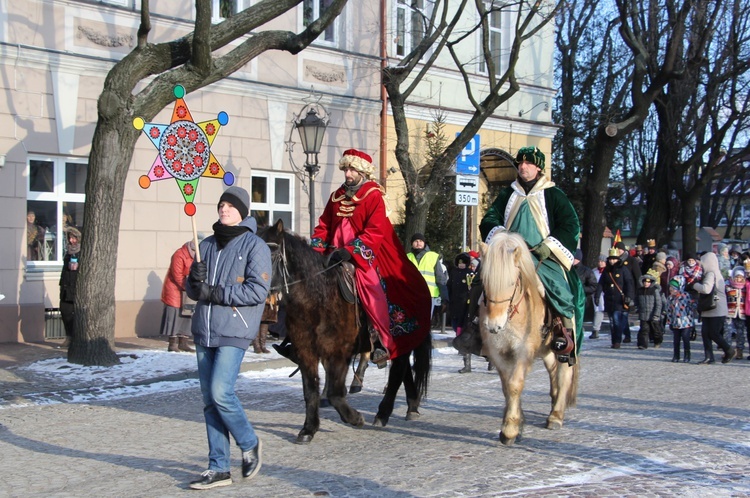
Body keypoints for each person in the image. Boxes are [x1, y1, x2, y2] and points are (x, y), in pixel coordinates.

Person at [307, 149, 432, 367]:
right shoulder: (336, 197)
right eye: (345, 169)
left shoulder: (374, 196)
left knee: (371, 287)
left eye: (352, 169)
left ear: (363, 171)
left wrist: (352, 251)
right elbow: (324, 226)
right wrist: (316, 250)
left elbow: (375, 230)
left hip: (361, 257)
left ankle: (381, 340)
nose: (347, 174)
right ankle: (299, 338)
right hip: (333, 253)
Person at [185, 186, 270, 489]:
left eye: (230, 206)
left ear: (242, 212)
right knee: (210, 401)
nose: (224, 209)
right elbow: (194, 292)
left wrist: (215, 292)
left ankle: (249, 443)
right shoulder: (205, 244)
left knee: (221, 392)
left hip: (234, 329)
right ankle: (218, 467)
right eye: (221, 205)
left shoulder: (254, 246)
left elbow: (258, 291)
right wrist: (194, 282)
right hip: (204, 329)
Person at [478, 146, 585, 364]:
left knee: (562, 291)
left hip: (542, 257)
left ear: (538, 167)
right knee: (482, 286)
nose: (523, 167)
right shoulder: (508, 193)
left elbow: (570, 224)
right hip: (510, 256)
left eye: (528, 163)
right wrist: (500, 237)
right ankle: (475, 334)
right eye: (520, 163)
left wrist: (550, 245)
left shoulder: (553, 194)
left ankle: (563, 338)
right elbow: (489, 219)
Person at [689, 251, 734, 364]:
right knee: (706, 334)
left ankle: (728, 350)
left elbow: (706, 289)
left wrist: (694, 285)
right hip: (711, 308)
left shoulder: (711, 274)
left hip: (715, 309)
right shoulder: (715, 273)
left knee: (713, 333)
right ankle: (709, 357)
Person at [159, 237, 202, 353]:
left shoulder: (198, 256)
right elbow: (177, 274)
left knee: (187, 315)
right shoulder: (179, 254)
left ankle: (183, 342)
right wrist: (189, 286)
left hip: (188, 290)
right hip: (175, 290)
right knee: (174, 316)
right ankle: (172, 343)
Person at [596, 248, 635, 349]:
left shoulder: (623, 269)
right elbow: (601, 284)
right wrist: (597, 295)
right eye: (610, 259)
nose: (612, 261)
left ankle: (617, 341)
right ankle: (614, 341)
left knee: (617, 320)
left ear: (618, 259)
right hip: (609, 299)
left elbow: (629, 284)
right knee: (612, 322)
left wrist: (629, 296)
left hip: (620, 300)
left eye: (614, 259)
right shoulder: (606, 271)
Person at [408, 233, 449, 320]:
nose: (418, 243)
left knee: (424, 320)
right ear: (412, 243)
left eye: (421, 241)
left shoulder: (432, 256)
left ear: (424, 243)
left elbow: (440, 278)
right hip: (411, 294)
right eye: (416, 241)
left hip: (428, 295)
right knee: (412, 321)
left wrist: (444, 298)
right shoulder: (407, 257)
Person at [448, 252, 473, 373]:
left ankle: (467, 360)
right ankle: (460, 344)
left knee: (465, 330)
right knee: (455, 326)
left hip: (466, 305)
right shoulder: (453, 272)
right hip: (455, 304)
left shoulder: (470, 273)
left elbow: (473, 288)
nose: (461, 265)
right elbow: (449, 286)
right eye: (459, 263)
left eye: (464, 263)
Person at [58, 227, 81, 349]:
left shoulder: (82, 252)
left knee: (76, 314)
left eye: (74, 238)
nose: (71, 241)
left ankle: (76, 338)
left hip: (75, 287)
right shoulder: (67, 252)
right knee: (64, 311)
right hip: (66, 287)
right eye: (70, 238)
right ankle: (69, 336)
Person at [666, 276, 694, 363]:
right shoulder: (670, 298)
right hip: (675, 323)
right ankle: (676, 355)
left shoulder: (686, 296)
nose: (671, 289)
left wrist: (692, 321)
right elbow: (669, 310)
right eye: (670, 287)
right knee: (676, 340)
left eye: (673, 288)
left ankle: (687, 355)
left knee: (686, 339)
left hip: (686, 322)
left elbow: (691, 308)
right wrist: (669, 321)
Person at [636, 270, 663, 349]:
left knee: (656, 331)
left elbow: (658, 303)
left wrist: (657, 314)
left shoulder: (654, 290)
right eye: (645, 282)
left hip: (653, 314)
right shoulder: (640, 291)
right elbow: (636, 301)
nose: (646, 283)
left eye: (648, 282)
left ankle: (657, 341)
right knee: (644, 330)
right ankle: (642, 344)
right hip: (643, 314)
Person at [724, 266, 746, 359]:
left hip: (741, 313)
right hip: (729, 312)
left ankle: (739, 350)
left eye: (740, 277)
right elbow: (720, 297)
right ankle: (728, 350)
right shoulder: (728, 287)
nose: (738, 279)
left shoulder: (745, 288)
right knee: (727, 332)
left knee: (740, 333)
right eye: (736, 277)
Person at [590, 254, 607, 339]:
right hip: (597, 293)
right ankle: (596, 329)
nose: (600, 263)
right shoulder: (594, 271)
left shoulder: (608, 271)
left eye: (602, 261)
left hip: (607, 292)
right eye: (599, 261)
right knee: (598, 310)